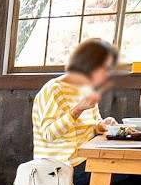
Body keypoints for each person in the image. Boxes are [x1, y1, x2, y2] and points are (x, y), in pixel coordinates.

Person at [31, 38, 120, 167]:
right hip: (62, 166)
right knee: (129, 172)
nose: (107, 74)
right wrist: (77, 110)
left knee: (134, 169)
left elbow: (92, 124)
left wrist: (101, 125)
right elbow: (49, 135)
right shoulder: (54, 89)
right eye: (105, 68)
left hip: (87, 157)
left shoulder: (87, 88)